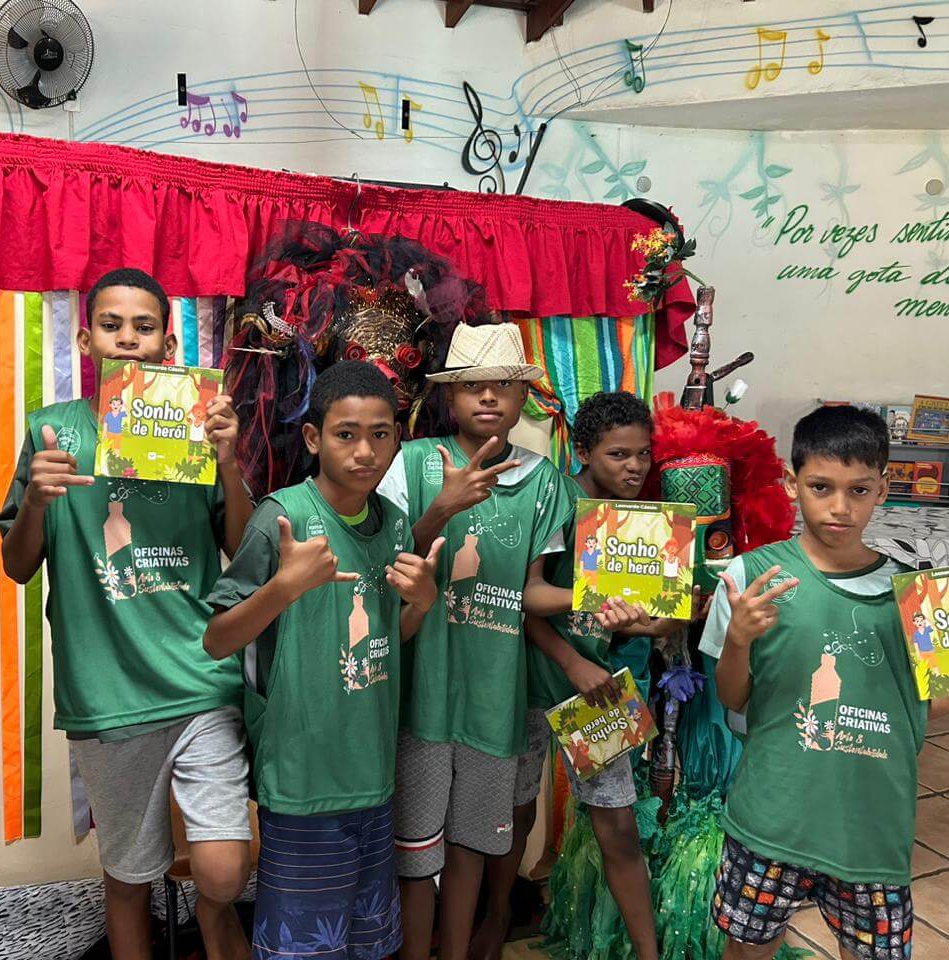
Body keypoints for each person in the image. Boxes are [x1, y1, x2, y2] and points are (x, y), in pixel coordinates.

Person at [0, 267, 254, 960]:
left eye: (144, 327)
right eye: (112, 325)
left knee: (224, 871)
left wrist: (229, 463)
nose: (128, 339)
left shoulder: (197, 425)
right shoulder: (52, 430)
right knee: (129, 877)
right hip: (106, 695)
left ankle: (215, 919)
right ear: (87, 340)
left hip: (200, 679)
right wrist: (37, 502)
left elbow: (240, 549)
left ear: (169, 344)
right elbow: (17, 566)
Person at [703, 405, 949, 960]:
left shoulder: (915, 593)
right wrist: (737, 639)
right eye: (821, 487)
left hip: (870, 828)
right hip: (771, 819)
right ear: (792, 484)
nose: (840, 507)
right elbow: (732, 697)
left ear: (882, 489)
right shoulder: (751, 579)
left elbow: (931, 702)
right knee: (746, 948)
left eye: (858, 490)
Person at [202, 361, 442, 960]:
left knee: (366, 945)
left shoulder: (394, 525)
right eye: (346, 434)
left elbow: (386, 638)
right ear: (313, 438)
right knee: (304, 950)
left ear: (397, 437)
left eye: (380, 434)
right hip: (303, 783)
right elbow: (217, 640)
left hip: (373, 776)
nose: (365, 451)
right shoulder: (282, 518)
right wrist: (284, 588)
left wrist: (421, 604)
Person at [376, 323, 574, 960]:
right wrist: (442, 506)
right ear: (450, 397)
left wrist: (594, 597)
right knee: (415, 854)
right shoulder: (413, 462)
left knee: (471, 849)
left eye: (503, 386)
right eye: (472, 386)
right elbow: (381, 563)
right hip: (420, 697)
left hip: (494, 700)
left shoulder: (544, 481)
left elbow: (532, 591)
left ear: (523, 399)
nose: (488, 397)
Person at [492, 391, 667, 960]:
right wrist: (572, 658)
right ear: (585, 452)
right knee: (515, 816)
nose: (635, 466)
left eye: (643, 453)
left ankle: (648, 953)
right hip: (531, 678)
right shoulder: (558, 499)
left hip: (601, 686)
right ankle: (492, 930)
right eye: (619, 454)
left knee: (618, 825)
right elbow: (525, 596)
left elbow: (653, 616)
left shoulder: (642, 521)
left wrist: (656, 619)